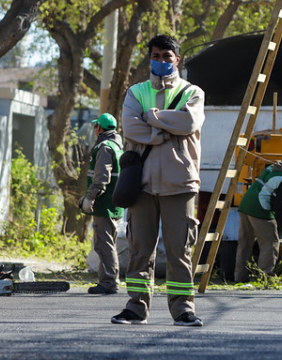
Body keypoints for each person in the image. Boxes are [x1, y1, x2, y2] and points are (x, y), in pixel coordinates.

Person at [110, 34, 205, 327]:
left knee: (180, 251)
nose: (161, 61)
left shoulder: (193, 92)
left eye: (167, 56)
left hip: (181, 183)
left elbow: (189, 123)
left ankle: (183, 309)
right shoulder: (135, 92)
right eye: (156, 56)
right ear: (149, 58)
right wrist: (163, 129)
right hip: (143, 184)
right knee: (140, 250)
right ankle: (135, 309)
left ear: (178, 60)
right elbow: (131, 129)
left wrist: (151, 117)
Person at [234, 154, 282, 283]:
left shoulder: (272, 168)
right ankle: (265, 277)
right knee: (270, 243)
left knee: (245, 244)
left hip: (245, 204)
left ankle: (240, 278)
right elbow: (281, 205)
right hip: (259, 208)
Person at [79, 112, 124, 295]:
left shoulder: (104, 147)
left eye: (95, 126)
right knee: (108, 242)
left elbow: (101, 178)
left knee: (103, 244)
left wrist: (90, 197)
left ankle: (108, 282)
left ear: (99, 128)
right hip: (115, 203)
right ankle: (110, 280)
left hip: (105, 204)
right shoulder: (118, 146)